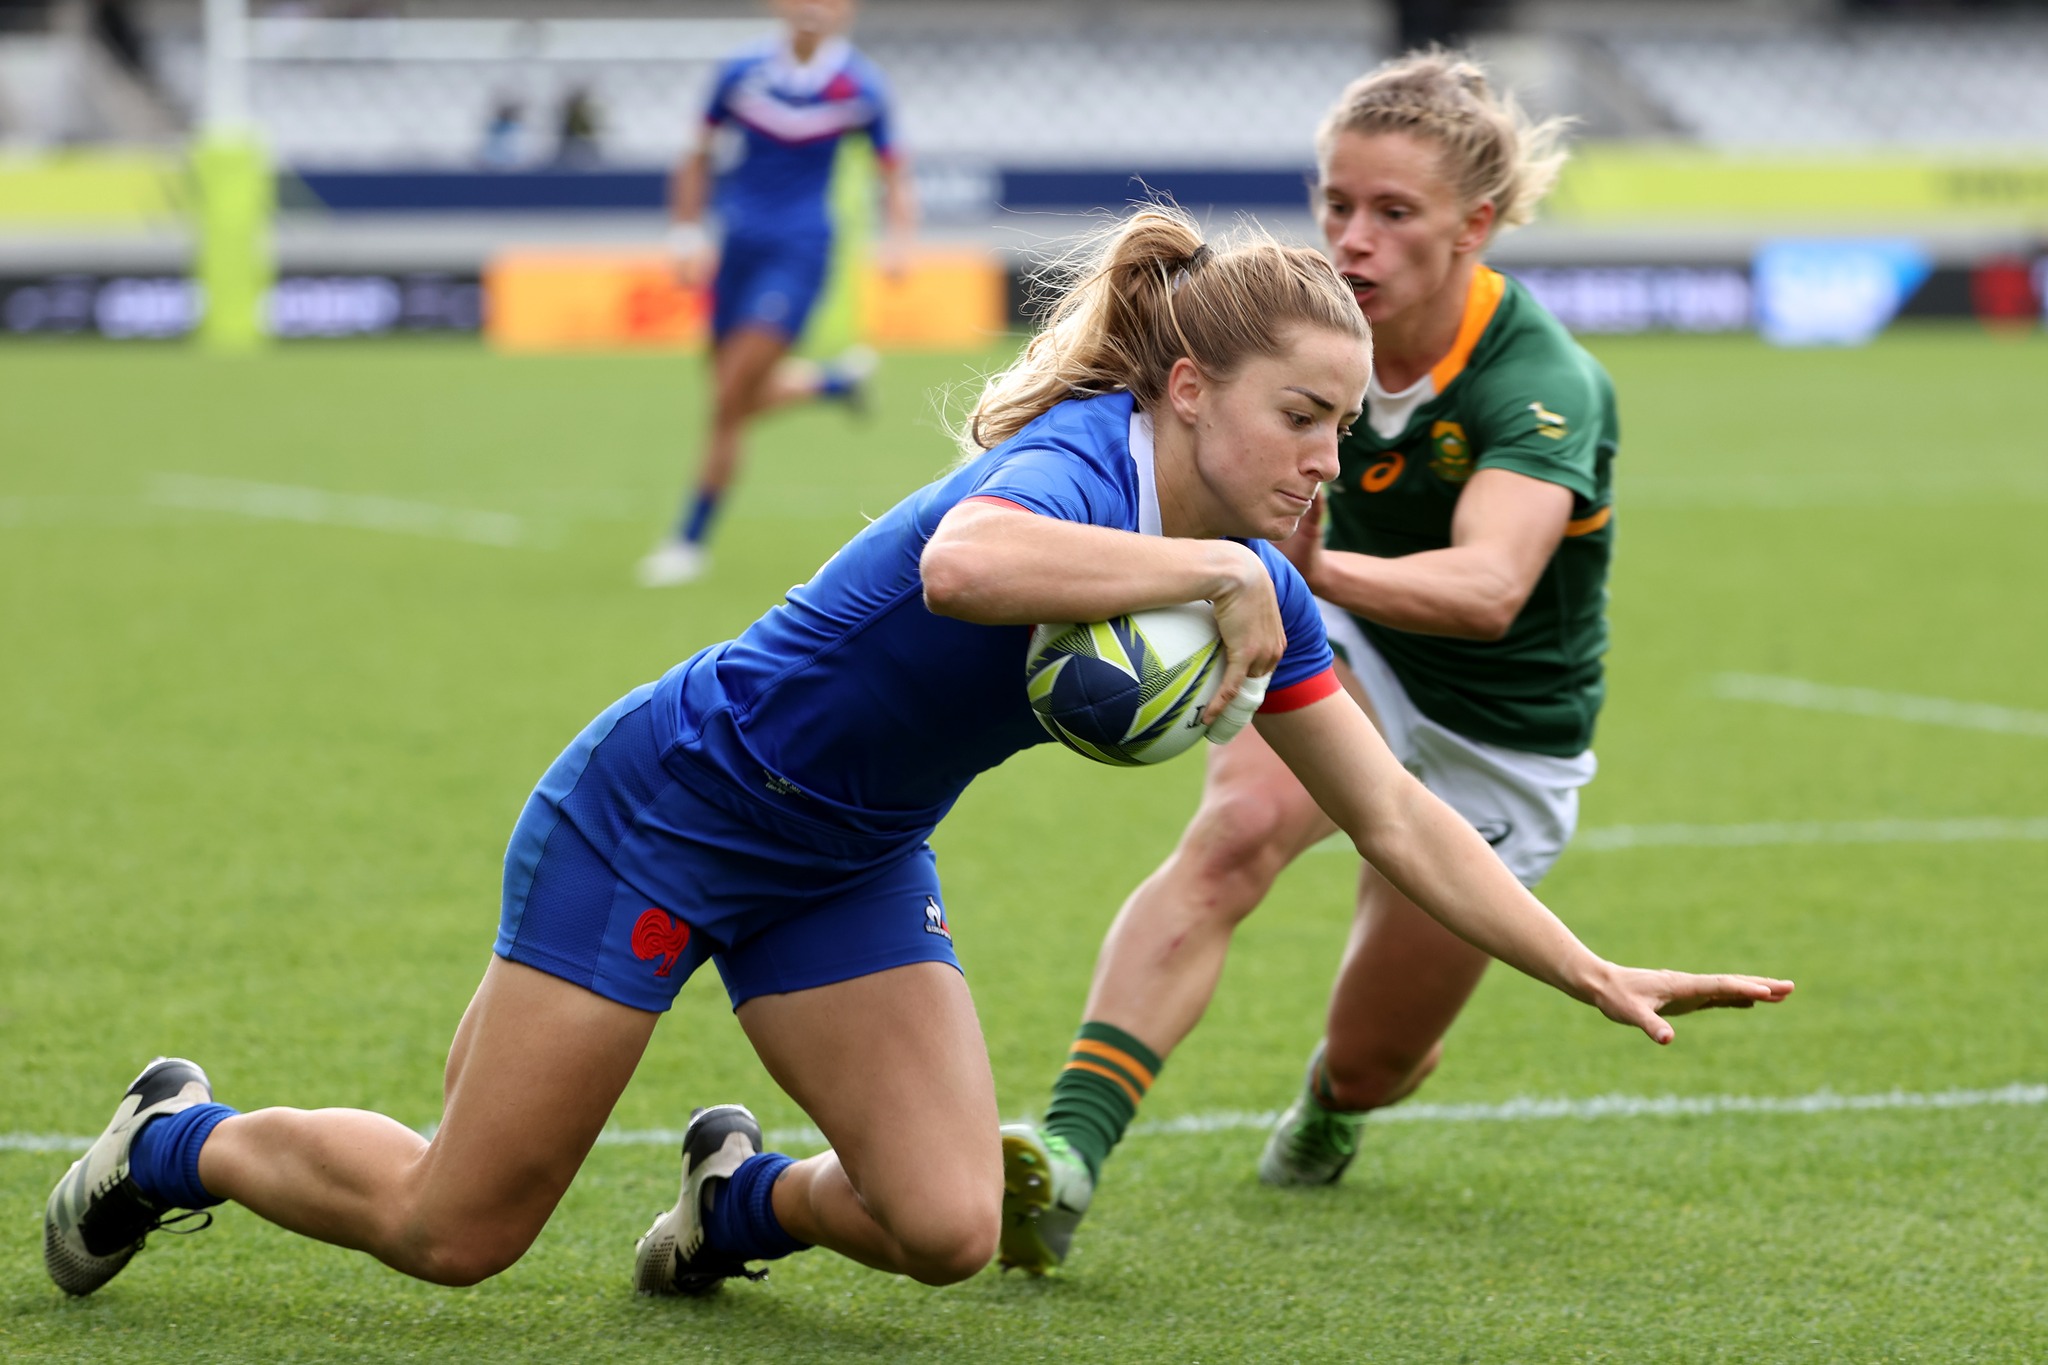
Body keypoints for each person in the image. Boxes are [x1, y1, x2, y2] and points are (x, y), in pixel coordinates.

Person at [45, 210, 1788, 1305]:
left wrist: (1584, 965)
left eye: (1343, 425)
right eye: (1299, 419)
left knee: (952, 1227)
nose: (1326, 460)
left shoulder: (1260, 577)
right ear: (1185, 390)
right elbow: (966, 572)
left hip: (850, 864)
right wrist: (1205, 571)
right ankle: (172, 1143)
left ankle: (738, 1207)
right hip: (665, 814)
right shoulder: (1079, 470)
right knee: (456, 1231)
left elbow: (1396, 818)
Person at [998, 52, 1642, 1274]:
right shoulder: (1299, 344)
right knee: (1231, 836)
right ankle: (1068, 1153)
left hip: (1494, 734)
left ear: (1475, 225)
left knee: (1377, 1056)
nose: (1352, 237)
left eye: (1392, 213)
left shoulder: (1542, 382)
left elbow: (1486, 590)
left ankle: (1335, 1107)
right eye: (1335, 203)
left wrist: (1293, 576)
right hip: (1341, 653)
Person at [638, 0, 915, 587]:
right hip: (735, 249)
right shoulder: (741, 72)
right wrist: (685, 232)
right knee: (731, 391)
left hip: (799, 253)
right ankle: (834, 383)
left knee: (729, 395)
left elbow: (894, 171)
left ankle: (688, 540)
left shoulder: (859, 84)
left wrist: (898, 243)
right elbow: (695, 155)